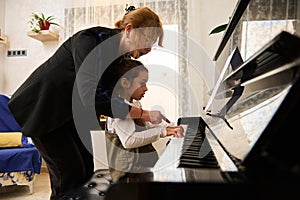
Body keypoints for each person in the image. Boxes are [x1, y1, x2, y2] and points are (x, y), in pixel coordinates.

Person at [7, 6, 168, 200]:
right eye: (147, 40)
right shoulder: (90, 40)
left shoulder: (120, 57)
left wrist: (140, 108)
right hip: (42, 110)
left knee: (84, 174)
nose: (149, 49)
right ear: (130, 29)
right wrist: (142, 114)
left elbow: (116, 90)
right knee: (69, 176)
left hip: (69, 115)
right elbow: (91, 94)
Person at [101, 58, 184, 182]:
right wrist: (163, 132)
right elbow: (129, 140)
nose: (146, 88)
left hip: (140, 170)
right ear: (125, 83)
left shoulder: (134, 103)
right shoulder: (119, 109)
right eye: (142, 83)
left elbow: (145, 128)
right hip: (129, 177)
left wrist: (171, 127)